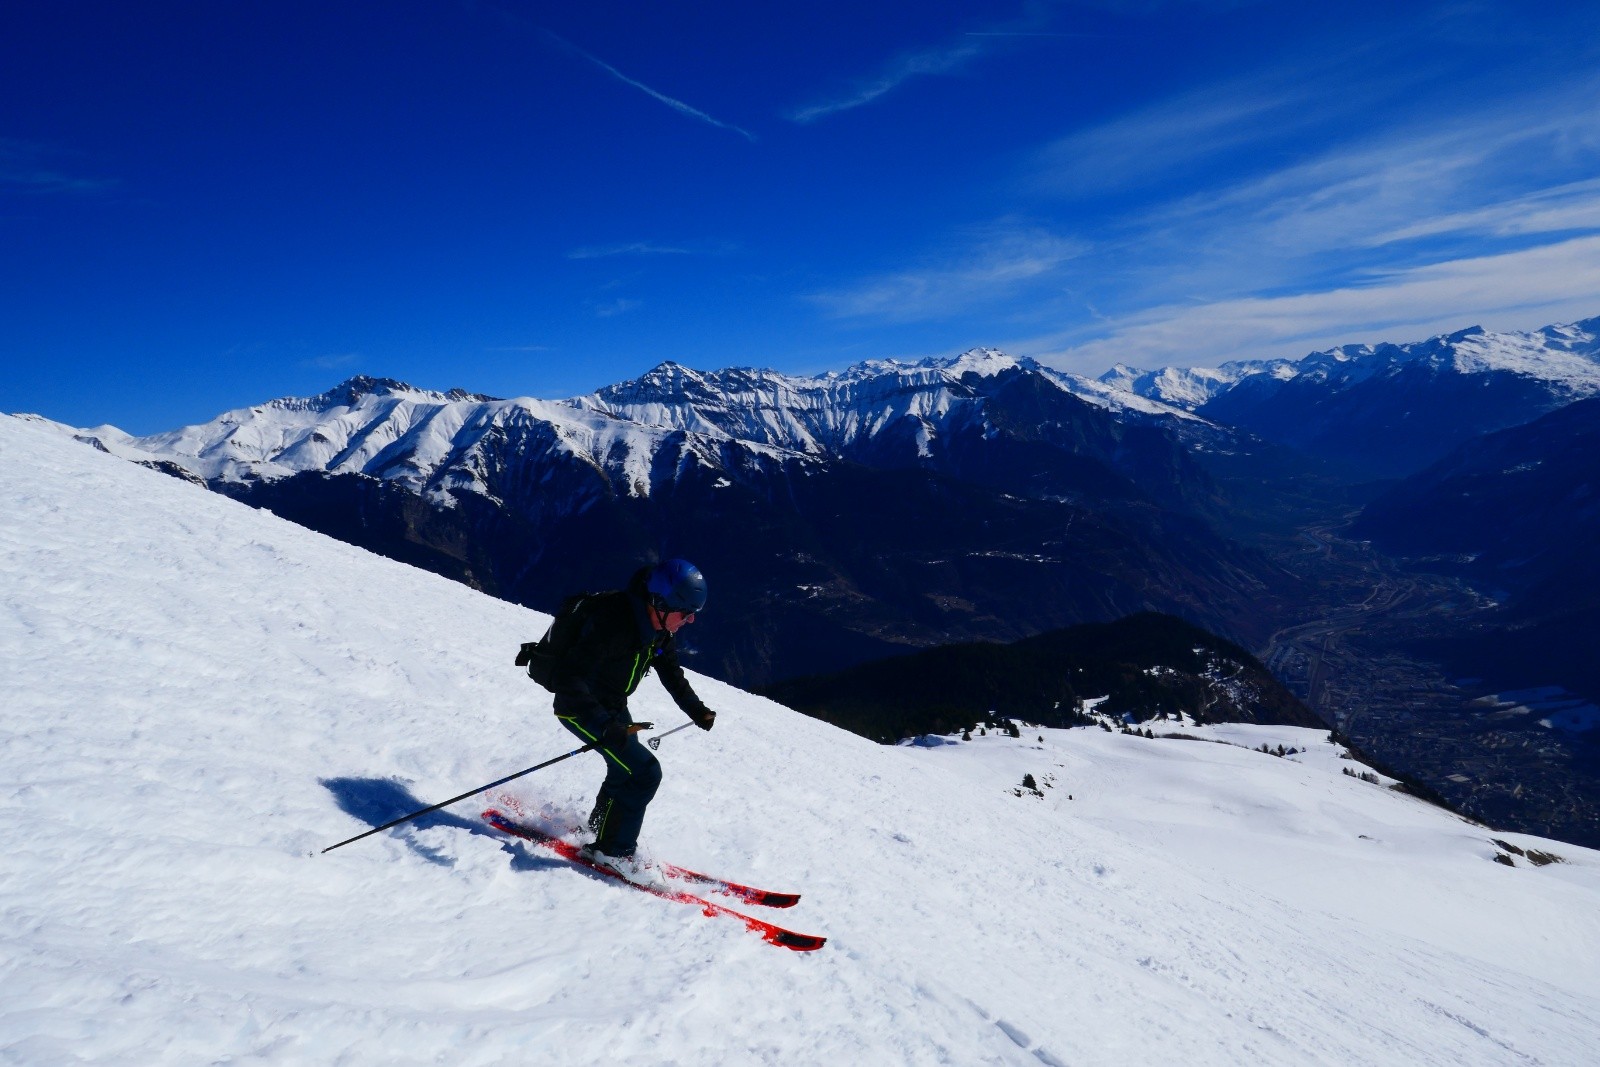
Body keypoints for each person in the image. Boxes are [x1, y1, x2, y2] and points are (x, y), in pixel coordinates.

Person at [539, 558, 715, 872]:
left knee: (624, 770)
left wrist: (696, 710)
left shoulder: (658, 629)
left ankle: (600, 834)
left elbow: (671, 672)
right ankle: (614, 853)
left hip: (612, 705)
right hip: (580, 706)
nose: (689, 621)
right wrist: (604, 725)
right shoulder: (614, 623)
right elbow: (569, 677)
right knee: (645, 772)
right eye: (685, 613)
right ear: (660, 603)